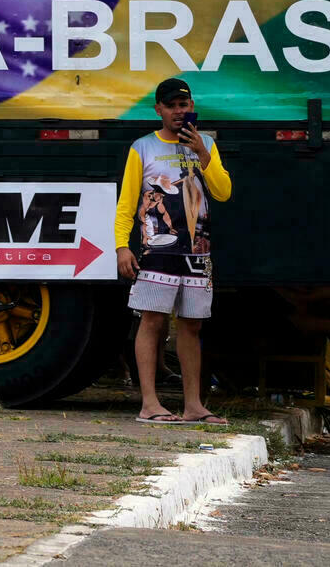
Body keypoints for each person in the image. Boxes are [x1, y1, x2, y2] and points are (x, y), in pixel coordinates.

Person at [117, 76, 231, 424]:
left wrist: (201, 152)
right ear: (159, 110)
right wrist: (122, 246)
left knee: (192, 325)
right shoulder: (142, 147)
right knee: (151, 321)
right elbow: (127, 202)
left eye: (185, 105)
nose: (180, 112)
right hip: (157, 248)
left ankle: (193, 406)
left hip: (198, 250)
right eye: (172, 106)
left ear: (192, 107)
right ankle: (149, 404)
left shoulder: (206, 144)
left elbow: (223, 192)